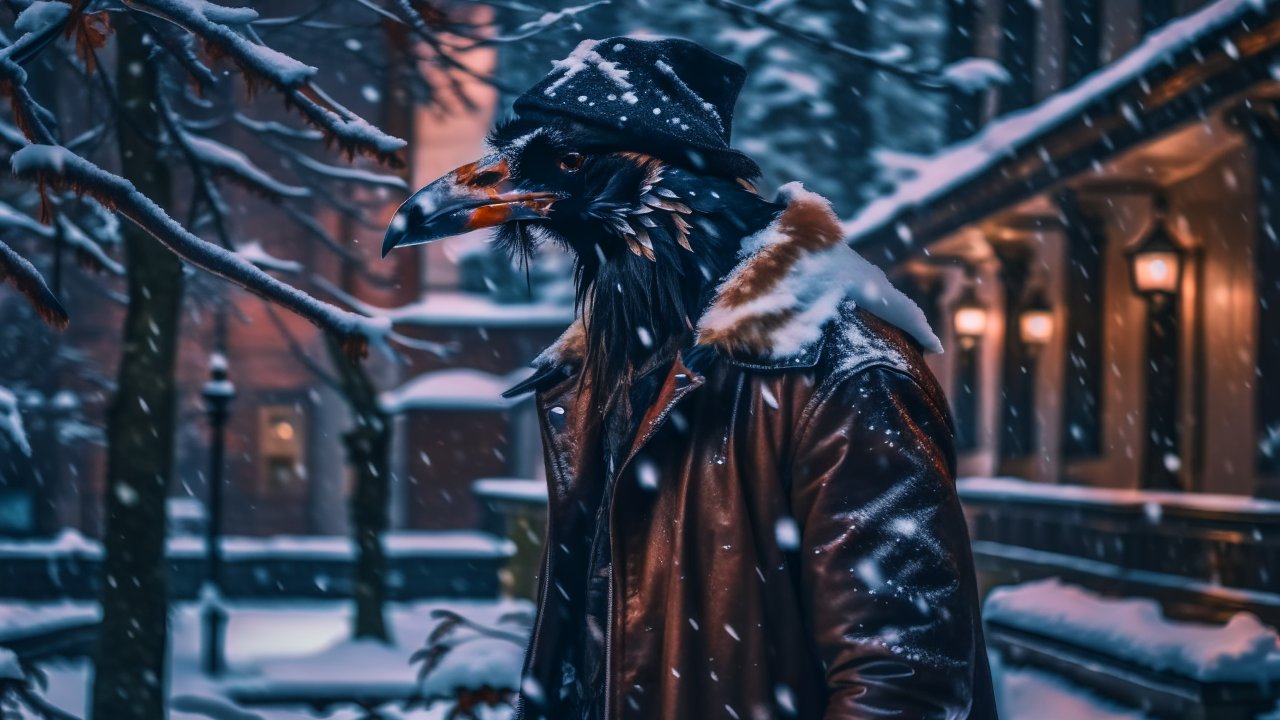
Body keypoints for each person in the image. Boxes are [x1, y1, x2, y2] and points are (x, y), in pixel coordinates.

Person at [383, 36, 998, 720]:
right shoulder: (614, 368)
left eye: (569, 163)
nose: (490, 181)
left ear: (664, 180)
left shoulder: (842, 372)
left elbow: (905, 683)